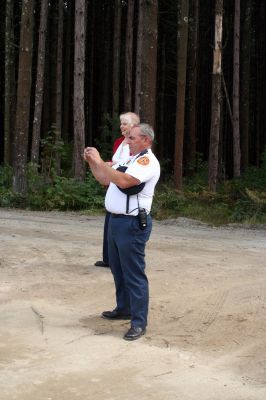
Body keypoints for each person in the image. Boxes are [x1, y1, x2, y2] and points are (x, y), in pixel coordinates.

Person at [84, 123, 160, 341]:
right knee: (118, 269)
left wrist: (100, 161)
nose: (128, 141)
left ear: (146, 140)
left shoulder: (147, 161)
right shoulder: (129, 159)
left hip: (132, 223)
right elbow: (105, 179)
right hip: (116, 221)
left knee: (134, 274)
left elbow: (126, 181)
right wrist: (93, 162)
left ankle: (138, 323)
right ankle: (124, 308)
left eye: (132, 138)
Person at [94, 112, 140, 268]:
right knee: (110, 220)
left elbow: (130, 164)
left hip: (126, 184)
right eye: (121, 123)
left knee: (121, 222)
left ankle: (121, 260)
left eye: (125, 123)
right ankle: (108, 258)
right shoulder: (119, 142)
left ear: (134, 126)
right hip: (113, 183)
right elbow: (117, 161)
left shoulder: (136, 144)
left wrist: (111, 167)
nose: (122, 126)